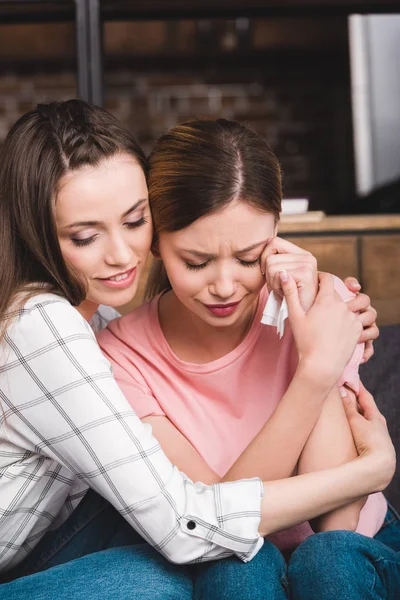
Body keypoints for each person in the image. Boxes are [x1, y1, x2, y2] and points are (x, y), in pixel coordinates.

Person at [0, 101, 393, 599]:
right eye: (84, 236)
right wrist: (370, 467)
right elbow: (186, 522)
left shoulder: (98, 322)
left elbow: (335, 531)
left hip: (332, 537)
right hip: (33, 558)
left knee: (292, 561)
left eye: (134, 220)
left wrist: (314, 314)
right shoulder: (53, 327)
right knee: (184, 573)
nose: (122, 255)